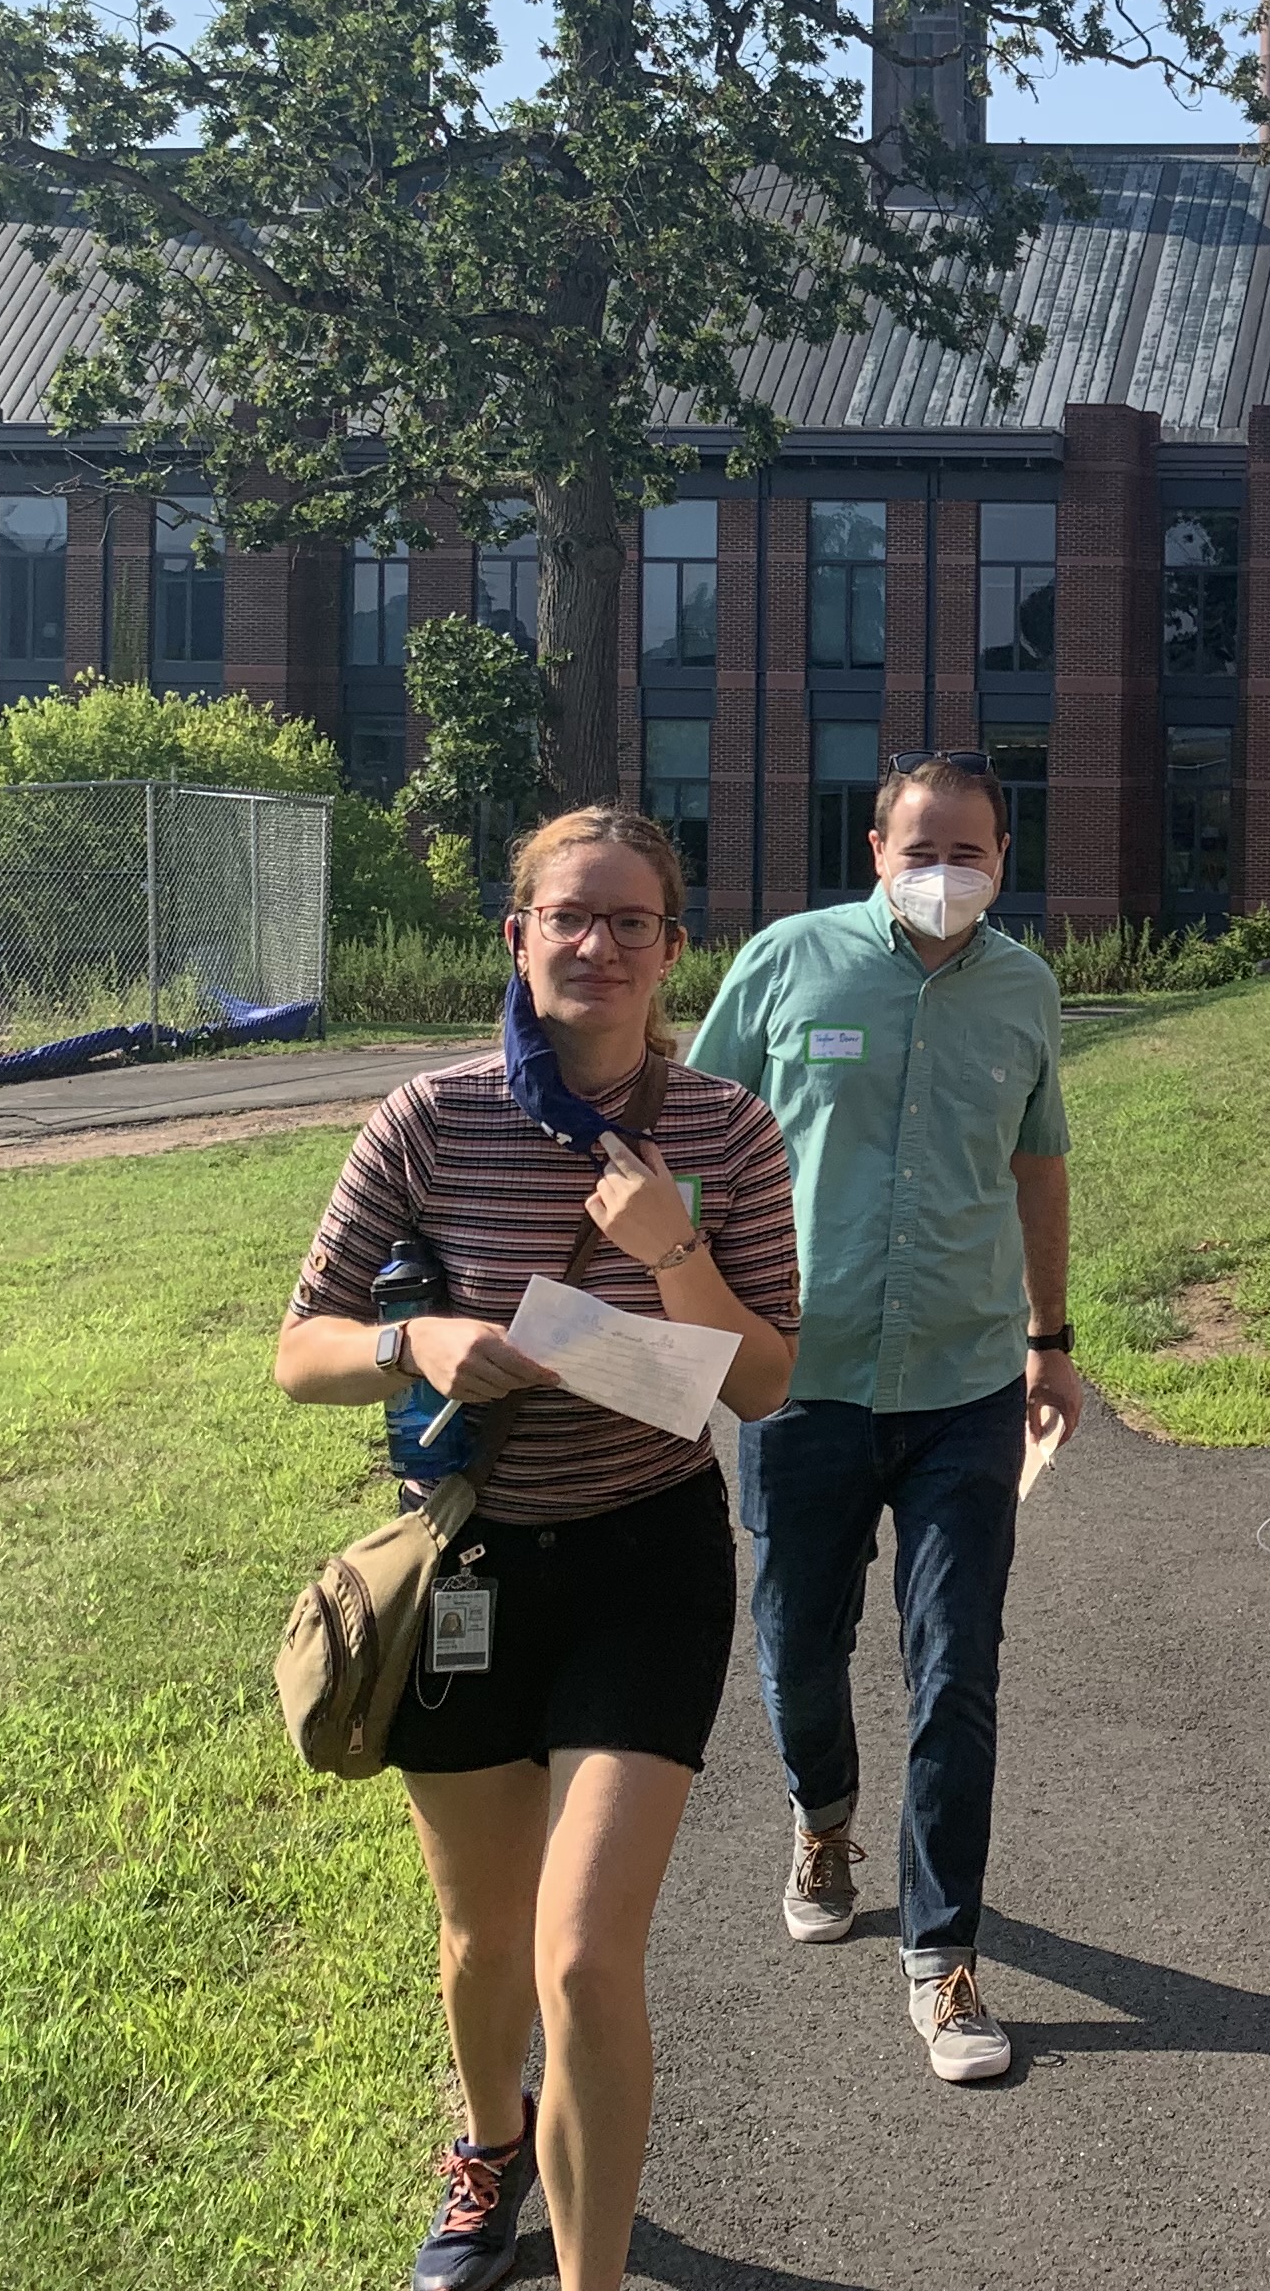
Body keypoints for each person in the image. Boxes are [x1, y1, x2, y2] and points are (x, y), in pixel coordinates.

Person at [276, 806, 802, 2291]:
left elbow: (761, 1384)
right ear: (517, 937)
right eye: (570, 915)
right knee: (484, 1944)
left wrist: (669, 1251)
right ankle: (489, 2143)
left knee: (581, 1956)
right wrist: (418, 1339)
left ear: (672, 953)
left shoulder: (723, 1132)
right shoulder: (427, 1119)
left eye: (632, 921)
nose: (599, 943)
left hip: (647, 1555)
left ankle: (594, 2276)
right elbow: (296, 1351)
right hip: (474, 1569)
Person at [688, 749, 1082, 2085]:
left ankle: (943, 1954)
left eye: (971, 851)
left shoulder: (1026, 992)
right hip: (799, 1379)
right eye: (923, 847)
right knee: (800, 1641)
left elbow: (1040, 1168)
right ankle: (821, 1815)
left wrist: (1053, 1338)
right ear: (874, 850)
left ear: (1004, 863)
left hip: (965, 1384)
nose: (946, 872)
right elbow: (695, 1138)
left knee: (955, 1665)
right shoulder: (788, 966)